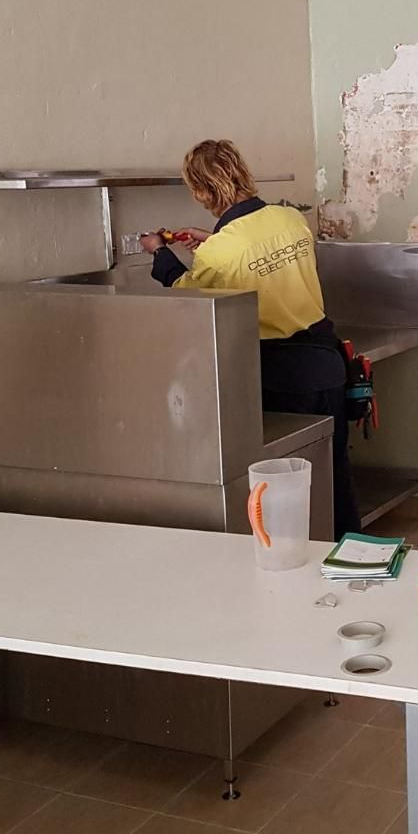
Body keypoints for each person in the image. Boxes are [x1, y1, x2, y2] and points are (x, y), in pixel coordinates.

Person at [143, 139, 360, 539]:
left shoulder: (222, 251)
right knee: (334, 472)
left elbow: (188, 289)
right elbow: (261, 258)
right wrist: (212, 240)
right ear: (242, 172)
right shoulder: (290, 218)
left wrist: (159, 253)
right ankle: (354, 562)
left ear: (202, 191)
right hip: (328, 363)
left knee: (285, 486)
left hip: (279, 374)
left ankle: (294, 571)